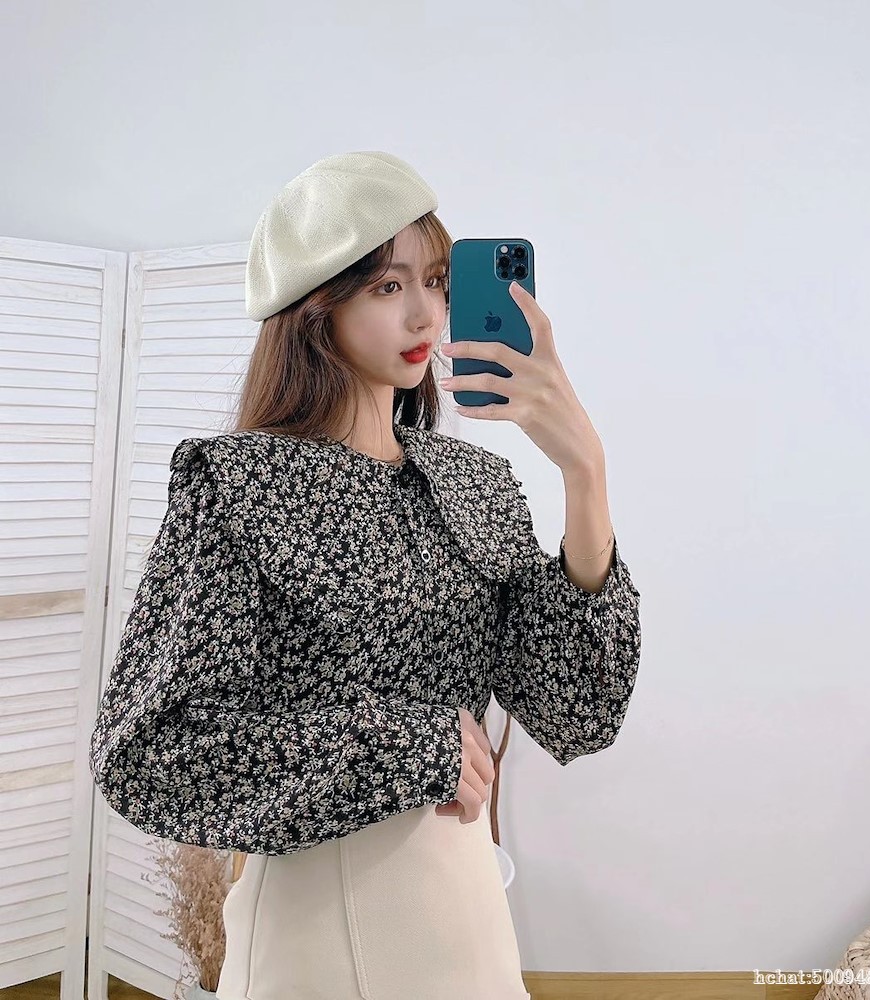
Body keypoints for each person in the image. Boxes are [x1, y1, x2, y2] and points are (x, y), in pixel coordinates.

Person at [88, 150, 642, 1000]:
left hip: (467, 913)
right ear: (317, 307)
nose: (425, 312)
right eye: (387, 286)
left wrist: (584, 472)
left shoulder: (473, 483)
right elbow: (147, 753)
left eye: (435, 281)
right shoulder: (240, 485)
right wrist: (409, 744)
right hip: (322, 931)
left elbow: (578, 713)